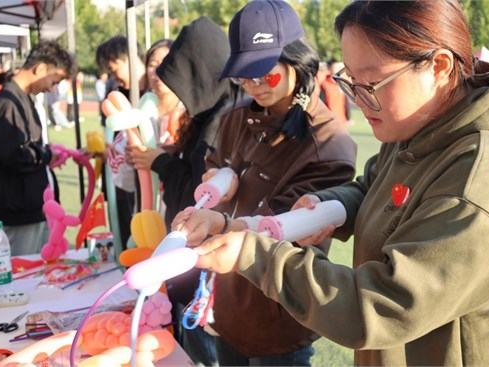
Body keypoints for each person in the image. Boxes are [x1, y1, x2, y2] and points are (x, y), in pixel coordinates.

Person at [183, 1, 489, 366]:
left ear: (439, 67)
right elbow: (373, 187)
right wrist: (329, 206)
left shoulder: (484, 175)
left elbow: (382, 305)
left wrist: (253, 255)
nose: (360, 101)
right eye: (352, 82)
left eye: (373, 83)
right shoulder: (418, 124)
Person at [172, 1, 357, 365]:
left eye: (265, 75)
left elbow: (285, 227)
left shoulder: (326, 141)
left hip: (278, 312)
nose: (254, 87)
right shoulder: (234, 119)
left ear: (297, 63)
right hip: (228, 305)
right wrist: (214, 181)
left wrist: (220, 222)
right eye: (244, 77)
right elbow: (215, 166)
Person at [127, 17, 233, 366]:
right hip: (191, 261)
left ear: (201, 74)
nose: (180, 94)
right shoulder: (210, 115)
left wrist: (159, 161)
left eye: (184, 83)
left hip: (204, 268)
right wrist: (168, 156)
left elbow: (199, 194)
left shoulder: (222, 120)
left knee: (204, 353)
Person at [0, 40, 72, 256]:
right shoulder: (10, 102)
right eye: (54, 81)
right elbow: (13, 153)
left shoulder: (19, 97)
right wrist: (47, 154)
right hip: (18, 211)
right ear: (40, 68)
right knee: (23, 275)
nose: (51, 88)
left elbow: (23, 145)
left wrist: (47, 153)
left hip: (27, 207)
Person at [95, 35, 146, 247]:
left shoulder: (152, 94)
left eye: (113, 68)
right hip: (125, 183)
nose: (113, 76)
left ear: (128, 59)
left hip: (149, 188)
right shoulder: (120, 92)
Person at [320, 58, 351, 124]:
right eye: (335, 67)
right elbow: (322, 102)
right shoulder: (324, 84)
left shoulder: (341, 84)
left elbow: (345, 101)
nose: (338, 68)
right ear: (329, 69)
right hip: (329, 119)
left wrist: (348, 117)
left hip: (341, 119)